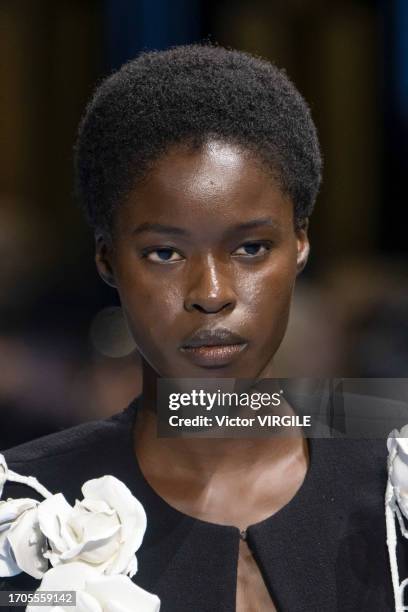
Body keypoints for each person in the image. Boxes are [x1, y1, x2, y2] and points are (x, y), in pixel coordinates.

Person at [1, 44, 395, 611]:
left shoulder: (394, 486)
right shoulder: (22, 515)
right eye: (164, 253)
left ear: (301, 243)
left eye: (252, 247)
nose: (212, 294)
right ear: (108, 259)